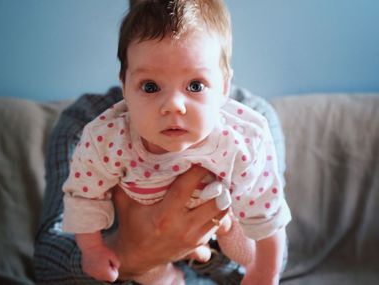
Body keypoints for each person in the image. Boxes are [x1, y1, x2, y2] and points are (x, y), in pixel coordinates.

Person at [34, 2, 290, 285]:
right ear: (125, 84)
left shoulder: (246, 132)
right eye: (150, 87)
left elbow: (267, 215)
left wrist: (215, 249)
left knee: (244, 242)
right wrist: (120, 252)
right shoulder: (98, 132)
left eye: (195, 86)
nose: (173, 106)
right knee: (150, 275)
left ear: (224, 86)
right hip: (131, 267)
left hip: (224, 230)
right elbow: (64, 231)